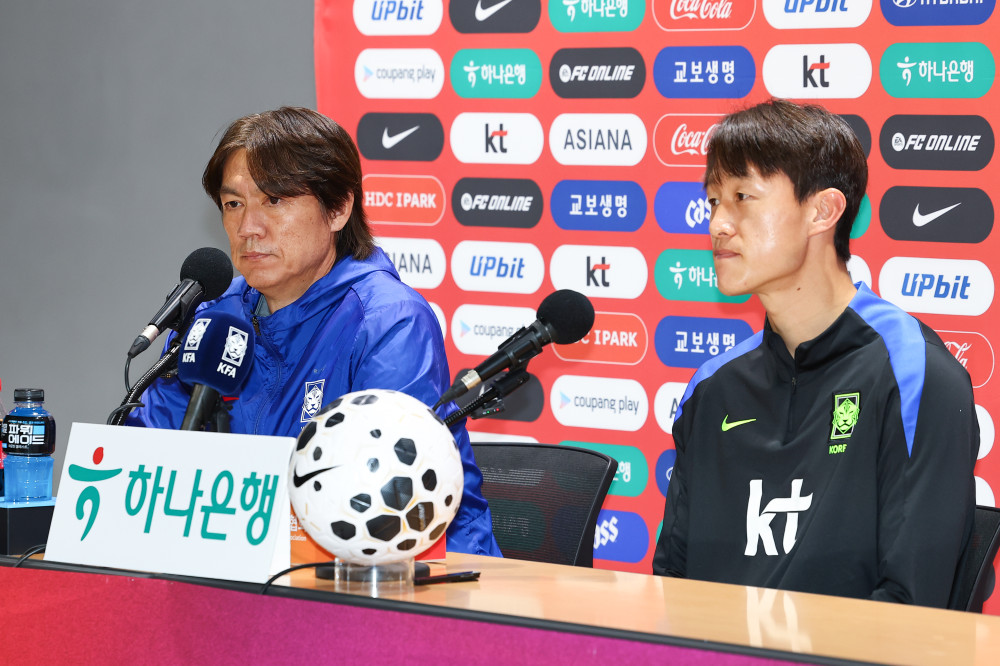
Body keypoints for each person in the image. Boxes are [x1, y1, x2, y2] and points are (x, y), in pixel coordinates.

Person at [127, 106, 501, 557]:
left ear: (339, 208)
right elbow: (145, 463)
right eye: (233, 204)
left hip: (409, 587)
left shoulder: (388, 321)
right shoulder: (214, 318)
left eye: (275, 200)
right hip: (249, 580)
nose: (248, 228)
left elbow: (379, 502)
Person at [651, 99, 978, 607]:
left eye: (742, 196)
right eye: (714, 200)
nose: (718, 224)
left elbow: (912, 610)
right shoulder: (711, 387)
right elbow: (672, 583)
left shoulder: (915, 375)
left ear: (822, 211)